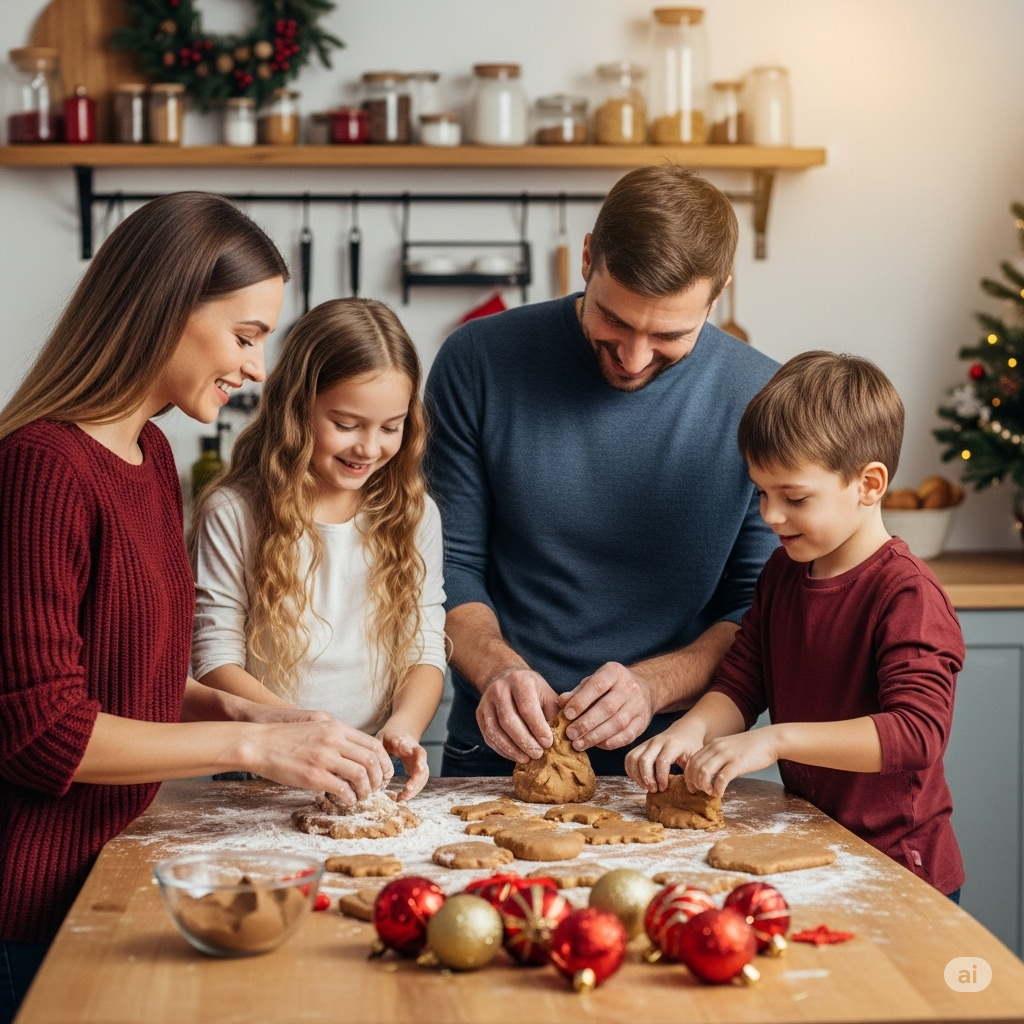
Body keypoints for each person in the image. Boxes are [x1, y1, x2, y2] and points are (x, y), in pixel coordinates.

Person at [0, 193, 393, 1022]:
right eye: (245, 336)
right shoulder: (40, 468)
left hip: (109, 876)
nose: (256, 368)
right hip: (26, 914)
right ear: (165, 307)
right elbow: (42, 734)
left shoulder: (147, 453)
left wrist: (284, 724)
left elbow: (125, 679)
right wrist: (249, 741)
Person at [425, 166, 780, 777]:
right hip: (499, 756)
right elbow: (447, 566)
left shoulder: (764, 396)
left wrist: (651, 686)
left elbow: (757, 607)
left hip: (682, 764)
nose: (634, 357)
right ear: (588, 258)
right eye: (614, 321)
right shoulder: (477, 361)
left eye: (668, 334)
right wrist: (499, 670)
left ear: (718, 294)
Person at [626, 351, 966, 900]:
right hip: (817, 850)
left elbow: (915, 733)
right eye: (761, 492)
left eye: (795, 497)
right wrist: (688, 731)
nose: (769, 516)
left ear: (869, 483)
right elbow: (742, 682)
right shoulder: (783, 572)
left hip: (900, 871)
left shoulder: (907, 594)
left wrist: (775, 742)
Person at [190, 298, 446, 801]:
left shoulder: (414, 515)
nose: (369, 448)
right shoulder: (234, 511)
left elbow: (425, 649)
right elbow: (215, 661)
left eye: (390, 427)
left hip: (371, 766)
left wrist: (403, 729)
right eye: (346, 424)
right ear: (296, 408)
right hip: (260, 767)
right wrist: (307, 732)